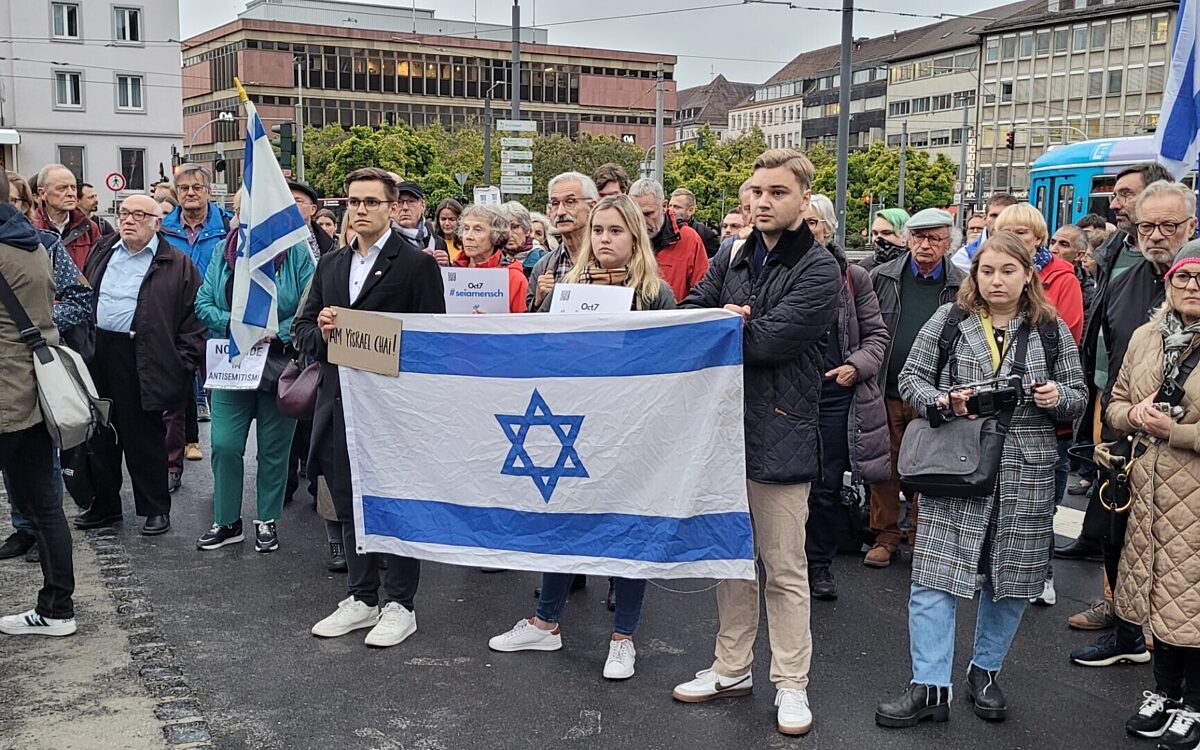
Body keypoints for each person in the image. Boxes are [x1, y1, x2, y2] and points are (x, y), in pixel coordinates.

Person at [874, 231, 1085, 728]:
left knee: (1010, 581)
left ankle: (984, 672)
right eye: (987, 270)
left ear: (1028, 274)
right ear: (975, 273)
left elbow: (1079, 394)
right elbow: (911, 379)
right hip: (957, 464)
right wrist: (943, 401)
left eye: (1008, 271)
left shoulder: (1052, 331)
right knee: (933, 577)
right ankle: (929, 685)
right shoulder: (951, 320)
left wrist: (1058, 397)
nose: (996, 280)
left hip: (1026, 470)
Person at [671, 148, 841, 737]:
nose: (762, 202)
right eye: (757, 193)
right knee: (731, 560)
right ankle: (731, 666)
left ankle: (791, 683)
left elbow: (769, 342)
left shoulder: (820, 270)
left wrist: (732, 322)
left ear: (803, 199)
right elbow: (694, 313)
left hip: (781, 432)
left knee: (784, 567)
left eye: (776, 192)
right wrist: (724, 316)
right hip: (725, 431)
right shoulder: (735, 253)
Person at [491, 194, 675, 679]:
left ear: (636, 236)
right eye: (598, 231)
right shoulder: (564, 288)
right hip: (572, 423)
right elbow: (541, 354)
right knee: (563, 522)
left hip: (630, 432)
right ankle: (545, 623)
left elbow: (666, 366)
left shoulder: (657, 294)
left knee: (627, 530)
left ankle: (623, 637)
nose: (604, 240)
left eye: (615, 231)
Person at [293, 168, 445, 649]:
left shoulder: (416, 264)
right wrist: (323, 331)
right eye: (353, 202)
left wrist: (377, 337)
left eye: (370, 202)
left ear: (393, 206)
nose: (359, 210)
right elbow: (301, 334)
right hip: (341, 405)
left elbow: (431, 341)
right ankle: (362, 596)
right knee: (349, 498)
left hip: (395, 408)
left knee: (395, 502)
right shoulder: (332, 264)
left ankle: (401, 603)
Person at [1069, 179, 1195, 669]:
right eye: (1148, 225)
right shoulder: (1124, 281)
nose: (1157, 234)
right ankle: (1126, 632)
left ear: (1191, 226)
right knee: (1116, 533)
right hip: (1126, 431)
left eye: (1169, 225)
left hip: (1185, 449)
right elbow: (1105, 354)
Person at [1108, 241, 1200, 748]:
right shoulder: (1147, 335)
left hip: (1195, 492)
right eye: (1183, 278)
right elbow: (1118, 402)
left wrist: (1175, 432)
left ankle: (1194, 706)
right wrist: (1133, 416)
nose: (1191, 287)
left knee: (1194, 603)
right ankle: (1164, 693)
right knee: (1157, 595)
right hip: (1149, 491)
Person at [194, 190, 315, 553]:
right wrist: (236, 326)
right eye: (242, 213)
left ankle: (267, 520)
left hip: (280, 365)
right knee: (225, 444)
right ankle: (227, 521)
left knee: (274, 451)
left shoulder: (297, 254)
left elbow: (312, 305)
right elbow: (203, 303)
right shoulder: (223, 252)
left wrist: (275, 329)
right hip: (232, 365)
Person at [78, 195, 205, 536]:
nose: (129, 220)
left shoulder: (175, 263)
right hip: (99, 351)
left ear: (156, 222)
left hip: (145, 354)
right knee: (100, 434)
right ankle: (105, 505)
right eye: (124, 213)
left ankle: (154, 509)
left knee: (143, 436)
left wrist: (183, 363)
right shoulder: (105, 250)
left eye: (138, 214)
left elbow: (194, 321)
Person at [799, 194, 890, 601]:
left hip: (833, 394)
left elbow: (877, 335)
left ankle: (818, 564)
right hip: (785, 393)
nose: (808, 229)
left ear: (830, 228)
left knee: (825, 485)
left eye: (815, 222)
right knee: (779, 485)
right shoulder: (775, 271)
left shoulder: (854, 277)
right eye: (802, 222)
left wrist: (855, 366)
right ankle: (781, 561)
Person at [0, 167, 78, 638]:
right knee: (45, 507)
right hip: (32, 392)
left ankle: (56, 609)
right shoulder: (32, 242)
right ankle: (57, 609)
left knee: (42, 507)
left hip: (5, 396)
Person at [866, 208, 966, 567]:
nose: (925, 245)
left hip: (934, 394)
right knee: (885, 466)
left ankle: (923, 538)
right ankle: (886, 535)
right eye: (919, 237)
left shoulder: (962, 285)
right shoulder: (880, 277)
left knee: (928, 469)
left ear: (949, 243)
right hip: (886, 388)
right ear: (907, 239)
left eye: (935, 238)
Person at [161, 164, 232, 484]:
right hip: (174, 326)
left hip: (214, 328)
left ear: (208, 191)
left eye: (196, 188)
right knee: (172, 400)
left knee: (221, 401)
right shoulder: (163, 230)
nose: (190, 193)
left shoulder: (227, 227)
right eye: (184, 188)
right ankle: (171, 467)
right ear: (176, 193)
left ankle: (223, 466)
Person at [994, 203, 1084, 343]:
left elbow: (1068, 337)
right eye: (1006, 233)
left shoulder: (1065, 279)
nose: (1012, 238)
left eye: (1021, 232)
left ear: (1038, 238)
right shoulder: (988, 273)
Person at [628, 178, 709, 304]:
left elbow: (704, 293)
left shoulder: (689, 240)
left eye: (648, 214)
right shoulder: (622, 239)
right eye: (635, 214)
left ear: (664, 206)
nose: (641, 221)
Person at [526, 172, 598, 310]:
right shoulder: (542, 267)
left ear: (592, 207)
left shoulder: (611, 259)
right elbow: (531, 325)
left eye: (570, 202)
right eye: (555, 203)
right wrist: (539, 301)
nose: (560, 212)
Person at [455, 204, 529, 314]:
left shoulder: (514, 278)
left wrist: (492, 324)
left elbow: (523, 327)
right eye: (466, 228)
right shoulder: (452, 271)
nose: (468, 236)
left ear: (496, 235)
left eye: (478, 230)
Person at [33, 164, 100, 270]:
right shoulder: (30, 228)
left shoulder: (89, 228)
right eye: (62, 188)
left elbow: (97, 269)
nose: (71, 193)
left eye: (73, 188)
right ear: (42, 193)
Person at [949, 192, 1019, 272]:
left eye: (1005, 215)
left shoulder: (1029, 250)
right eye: (994, 216)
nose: (999, 221)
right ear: (985, 219)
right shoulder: (964, 257)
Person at [391, 181, 448, 265]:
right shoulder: (385, 240)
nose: (405, 207)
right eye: (400, 202)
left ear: (423, 206)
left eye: (411, 201)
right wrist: (415, 261)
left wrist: (447, 265)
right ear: (393, 207)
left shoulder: (438, 242)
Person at [288, 180, 336, 258]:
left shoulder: (328, 244)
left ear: (313, 209)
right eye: (289, 201)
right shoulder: (276, 241)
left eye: (298, 201)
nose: (292, 205)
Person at [669, 187, 720, 257]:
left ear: (690, 210)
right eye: (670, 206)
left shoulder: (705, 234)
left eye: (676, 207)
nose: (670, 210)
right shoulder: (661, 230)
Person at [499, 201, 545, 275]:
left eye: (514, 227)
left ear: (527, 230)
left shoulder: (543, 259)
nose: (509, 233)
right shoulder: (495, 258)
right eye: (504, 227)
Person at [433, 198, 463, 263]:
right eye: (443, 219)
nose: (447, 223)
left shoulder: (467, 244)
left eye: (451, 219)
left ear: (460, 220)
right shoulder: (431, 242)